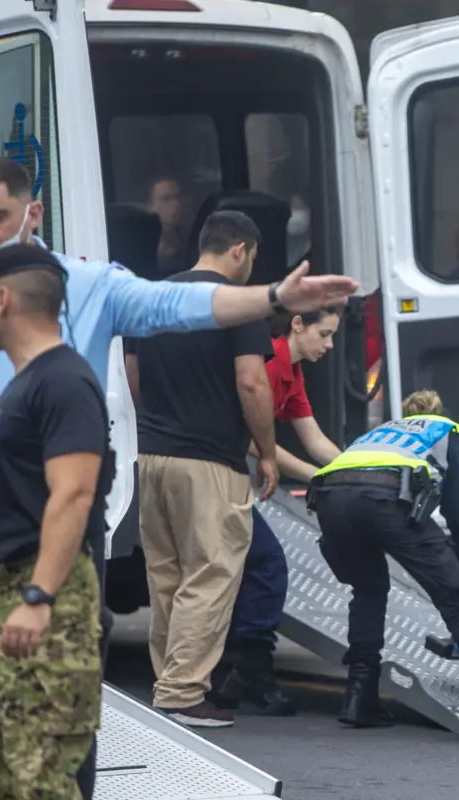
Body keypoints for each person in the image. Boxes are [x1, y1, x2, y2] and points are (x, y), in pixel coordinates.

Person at [0, 156, 356, 800]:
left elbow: (176, 302)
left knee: (60, 743)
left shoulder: (82, 298)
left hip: (55, 551)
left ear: (33, 214)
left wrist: (271, 299)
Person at [0, 244, 113, 799]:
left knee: (42, 784)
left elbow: (73, 495)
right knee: (4, 779)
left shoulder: (63, 381)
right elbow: (28, 502)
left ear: (3, 299)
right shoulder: (24, 385)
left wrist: (38, 598)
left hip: (38, 602)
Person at [310, 389, 459, 746]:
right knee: (456, 598)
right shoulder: (450, 431)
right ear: (443, 411)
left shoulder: (382, 431)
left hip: (330, 498)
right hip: (383, 498)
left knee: (368, 587)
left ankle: (359, 695)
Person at [126, 211, 288, 728]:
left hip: (151, 455)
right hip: (210, 459)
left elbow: (131, 371)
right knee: (212, 572)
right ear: (240, 250)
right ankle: (181, 692)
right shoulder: (237, 307)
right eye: (253, 258)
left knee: (166, 575)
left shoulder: (155, 297)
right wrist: (265, 450)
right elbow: (251, 383)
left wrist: (152, 421)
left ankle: (168, 683)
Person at [210, 309, 344, 716]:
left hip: (232, 475)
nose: (330, 345)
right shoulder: (267, 363)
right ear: (297, 324)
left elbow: (314, 438)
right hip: (215, 470)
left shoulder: (293, 371)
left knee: (247, 569)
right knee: (267, 563)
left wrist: (354, 470)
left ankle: (234, 672)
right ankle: (251, 670)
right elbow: (254, 440)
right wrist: (316, 477)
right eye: (324, 334)